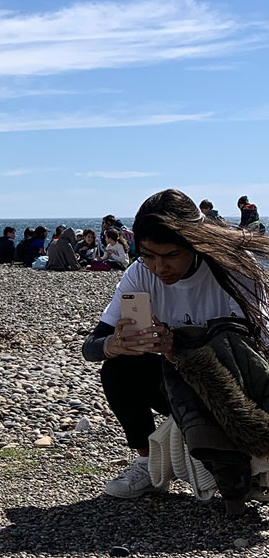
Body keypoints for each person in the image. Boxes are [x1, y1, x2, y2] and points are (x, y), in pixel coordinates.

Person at [82, 188, 269, 516]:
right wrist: (115, 344)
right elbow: (91, 348)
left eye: (170, 256)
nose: (159, 267)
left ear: (196, 244)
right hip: (180, 382)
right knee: (119, 367)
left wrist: (177, 348)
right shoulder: (140, 274)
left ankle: (250, 465)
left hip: (239, 385)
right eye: (148, 255)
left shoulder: (234, 268)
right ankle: (148, 464)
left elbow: (249, 353)